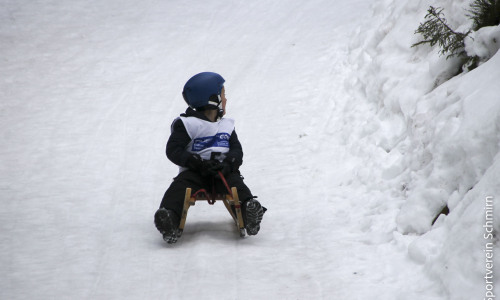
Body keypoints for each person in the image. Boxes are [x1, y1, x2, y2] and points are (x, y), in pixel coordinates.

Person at [154, 72, 265, 243]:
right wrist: (195, 162)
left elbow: (237, 150)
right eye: (223, 95)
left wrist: (229, 164)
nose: (225, 100)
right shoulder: (188, 124)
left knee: (236, 184)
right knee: (178, 188)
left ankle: (248, 210)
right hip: (195, 173)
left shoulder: (226, 125)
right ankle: (169, 217)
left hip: (223, 172)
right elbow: (173, 150)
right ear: (213, 99)